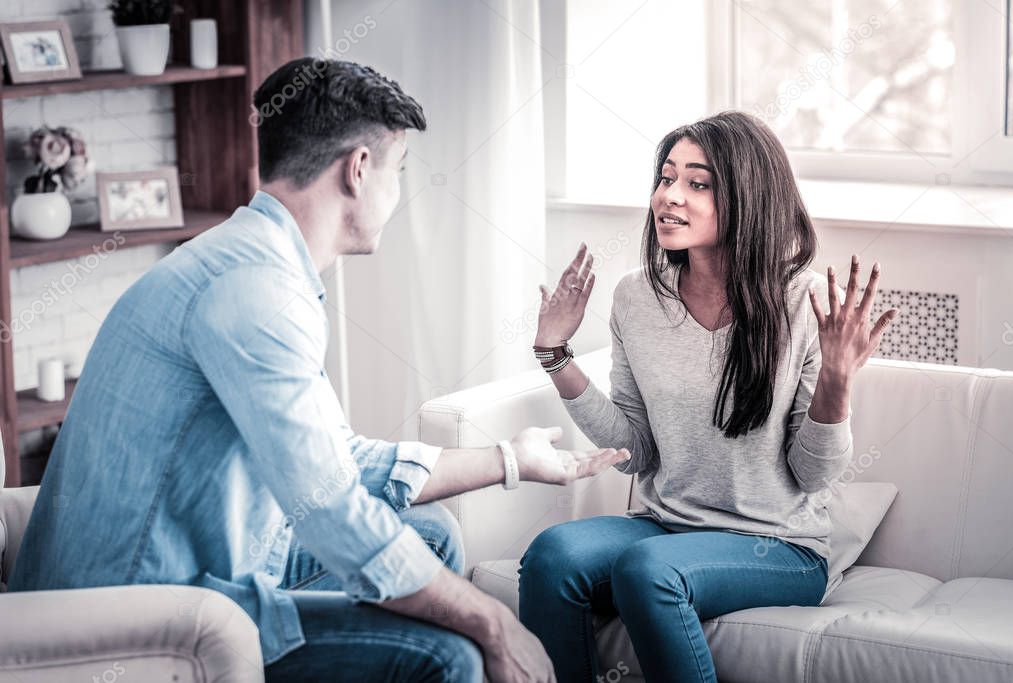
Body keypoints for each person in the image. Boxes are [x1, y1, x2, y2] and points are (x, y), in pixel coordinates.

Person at [9, 58, 631, 683]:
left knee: (428, 535)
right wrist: (495, 622)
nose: (399, 192)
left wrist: (511, 459)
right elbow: (331, 508)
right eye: (399, 171)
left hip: (187, 560)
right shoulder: (256, 294)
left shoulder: (250, 259)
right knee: (449, 654)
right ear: (359, 170)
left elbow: (333, 460)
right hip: (132, 615)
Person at [520, 111, 900, 683]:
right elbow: (636, 449)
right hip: (667, 524)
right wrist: (556, 353)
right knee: (552, 557)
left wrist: (838, 381)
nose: (669, 197)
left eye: (698, 183)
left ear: (748, 197)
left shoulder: (805, 303)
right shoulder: (636, 297)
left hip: (778, 546)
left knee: (649, 571)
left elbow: (813, 474)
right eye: (666, 177)